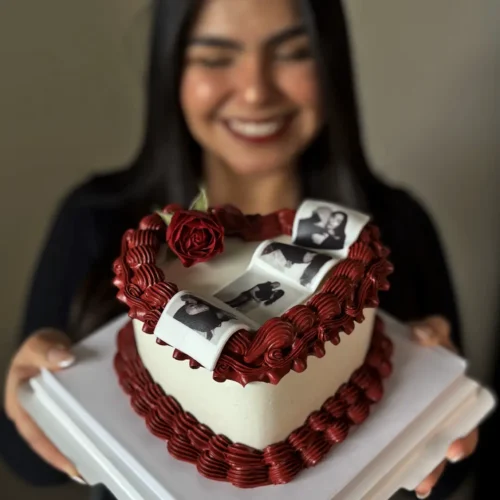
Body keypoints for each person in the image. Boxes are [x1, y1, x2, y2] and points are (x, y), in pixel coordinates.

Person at [0, 1, 480, 499]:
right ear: (172, 69)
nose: (255, 91)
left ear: (330, 61)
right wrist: (32, 394)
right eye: (215, 57)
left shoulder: (396, 228)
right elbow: (27, 465)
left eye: (293, 53)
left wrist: (439, 407)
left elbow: (456, 476)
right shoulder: (95, 221)